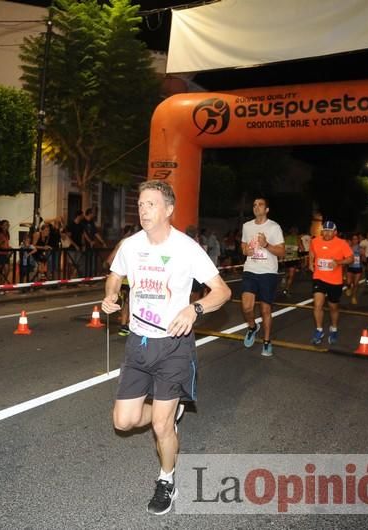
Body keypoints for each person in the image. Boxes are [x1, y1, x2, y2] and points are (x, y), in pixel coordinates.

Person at [101, 180, 231, 516]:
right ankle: (170, 411)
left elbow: (221, 291)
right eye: (141, 204)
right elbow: (115, 274)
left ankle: (166, 479)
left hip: (174, 346)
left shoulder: (187, 248)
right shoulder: (131, 245)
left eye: (151, 204)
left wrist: (195, 309)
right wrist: (112, 293)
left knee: (161, 426)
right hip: (139, 343)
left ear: (168, 209)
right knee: (123, 422)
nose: (143, 210)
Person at [240, 198, 285, 357]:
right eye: (254, 205)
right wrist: (246, 251)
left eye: (260, 205)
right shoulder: (247, 226)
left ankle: (266, 342)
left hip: (268, 272)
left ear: (266, 209)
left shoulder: (274, 227)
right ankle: (252, 327)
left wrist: (266, 244)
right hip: (250, 269)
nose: (256, 207)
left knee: (266, 309)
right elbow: (244, 245)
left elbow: (282, 252)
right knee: (246, 306)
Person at [309, 220, 353, 344]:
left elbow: (351, 259)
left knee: (333, 307)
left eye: (330, 231)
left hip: (335, 281)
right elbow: (311, 251)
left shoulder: (342, 243)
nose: (327, 233)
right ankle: (319, 329)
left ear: (335, 232)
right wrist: (310, 263)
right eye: (325, 230)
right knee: (318, 305)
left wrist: (338, 262)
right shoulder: (315, 241)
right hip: (319, 277)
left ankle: (333, 328)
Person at [105, 224, 135, 336]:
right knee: (129, 302)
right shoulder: (126, 244)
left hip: (124, 280)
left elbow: (109, 261)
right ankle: (126, 325)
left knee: (127, 303)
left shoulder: (123, 243)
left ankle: (125, 325)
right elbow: (110, 260)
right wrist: (119, 271)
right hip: (125, 280)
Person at [345, 233, 364, 304]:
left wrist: (363, 254)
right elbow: (345, 257)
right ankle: (349, 287)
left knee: (356, 284)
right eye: (353, 239)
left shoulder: (360, 248)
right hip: (350, 267)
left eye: (356, 239)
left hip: (358, 268)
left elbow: (364, 259)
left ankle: (353, 297)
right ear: (352, 240)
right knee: (348, 282)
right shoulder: (348, 247)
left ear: (358, 240)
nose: (354, 240)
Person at [282, 226, 301, 295]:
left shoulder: (285, 238)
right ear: (296, 232)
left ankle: (284, 277)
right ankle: (286, 289)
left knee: (288, 271)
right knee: (291, 274)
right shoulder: (298, 238)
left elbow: (282, 247)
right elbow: (302, 248)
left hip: (286, 258)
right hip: (293, 258)